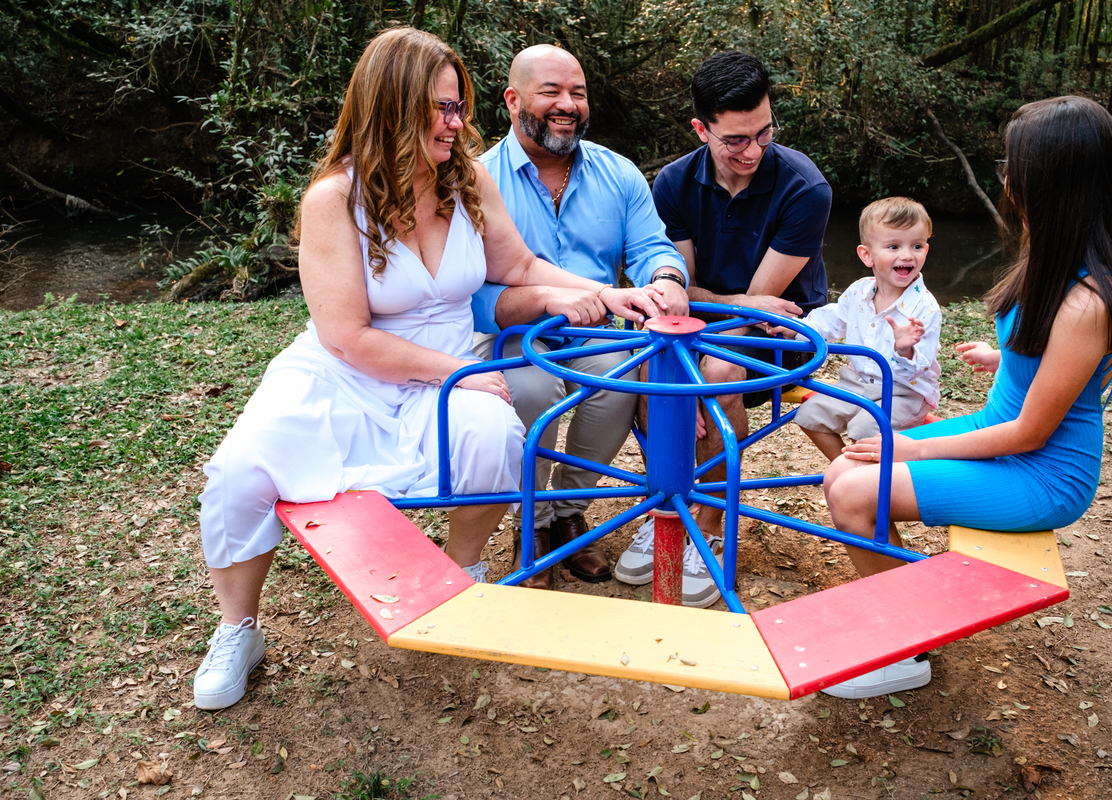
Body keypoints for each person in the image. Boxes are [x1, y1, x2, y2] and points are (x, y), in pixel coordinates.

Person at [192, 27, 661, 711]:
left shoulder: (464, 177)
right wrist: (457, 372)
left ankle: (462, 575)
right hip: (348, 371)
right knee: (241, 473)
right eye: (443, 108)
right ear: (392, 107)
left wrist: (612, 295)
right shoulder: (334, 199)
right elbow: (348, 335)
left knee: (494, 437)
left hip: (448, 360)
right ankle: (238, 628)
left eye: (460, 106)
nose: (459, 122)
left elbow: (519, 267)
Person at [820, 96, 1112, 698]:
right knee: (841, 469)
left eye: (1012, 167)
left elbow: (1031, 434)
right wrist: (1011, 358)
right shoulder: (1052, 253)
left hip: (1042, 471)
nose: (1006, 180)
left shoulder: (1090, 297)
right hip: (1005, 432)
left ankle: (902, 646)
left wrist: (914, 451)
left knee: (858, 487)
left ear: (1051, 179)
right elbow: (1056, 360)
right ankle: (908, 612)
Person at [614, 50, 832, 607]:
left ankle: (708, 525)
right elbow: (678, 290)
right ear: (701, 129)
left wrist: (726, 301)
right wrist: (726, 298)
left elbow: (762, 308)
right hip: (704, 319)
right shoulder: (672, 183)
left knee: (717, 368)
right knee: (647, 363)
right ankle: (668, 504)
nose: (753, 151)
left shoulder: (806, 188)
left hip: (776, 336)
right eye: (735, 139)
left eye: (763, 133)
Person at [470, 45, 689, 590]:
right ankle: (533, 521)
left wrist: (666, 280)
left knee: (618, 378)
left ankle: (569, 510)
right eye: (551, 92)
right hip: (510, 331)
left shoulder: (618, 173)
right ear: (513, 99)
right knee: (532, 389)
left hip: (596, 330)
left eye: (578, 93)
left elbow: (651, 248)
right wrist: (545, 299)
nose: (567, 105)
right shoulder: (475, 178)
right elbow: (467, 292)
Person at [793, 197, 941, 461]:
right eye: (894, 246)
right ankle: (849, 473)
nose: (907, 255)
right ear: (867, 255)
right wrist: (797, 330)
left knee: (865, 429)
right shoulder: (860, 291)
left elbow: (920, 364)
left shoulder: (925, 307)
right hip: (857, 382)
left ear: (926, 251)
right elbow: (832, 320)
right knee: (809, 415)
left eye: (916, 246)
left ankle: (869, 486)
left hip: (904, 389)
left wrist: (905, 348)